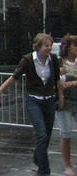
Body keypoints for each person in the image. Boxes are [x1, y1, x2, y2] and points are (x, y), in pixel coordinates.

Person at [0, 32, 62, 176]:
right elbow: (13, 78)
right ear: (38, 47)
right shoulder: (28, 60)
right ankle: (44, 171)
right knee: (41, 135)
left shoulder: (53, 59)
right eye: (46, 46)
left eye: (50, 45)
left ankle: (37, 158)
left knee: (46, 136)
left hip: (49, 101)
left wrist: (61, 97)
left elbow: (57, 80)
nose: (49, 49)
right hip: (33, 101)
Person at [58, 34, 77, 176]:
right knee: (66, 133)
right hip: (64, 100)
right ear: (67, 47)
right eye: (74, 45)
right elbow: (53, 79)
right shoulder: (59, 62)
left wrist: (73, 83)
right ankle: (67, 165)